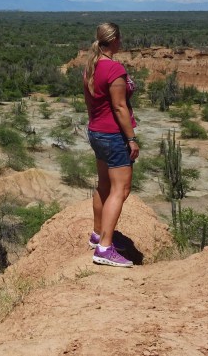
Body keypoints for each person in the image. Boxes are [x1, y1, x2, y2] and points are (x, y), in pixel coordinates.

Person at [83, 22, 139, 267]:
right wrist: (131, 139)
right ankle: (105, 249)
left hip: (96, 131)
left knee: (104, 185)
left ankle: (98, 235)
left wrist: (96, 126)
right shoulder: (114, 68)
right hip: (114, 135)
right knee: (120, 189)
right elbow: (119, 107)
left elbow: (89, 103)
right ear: (114, 40)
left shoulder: (91, 66)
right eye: (120, 38)